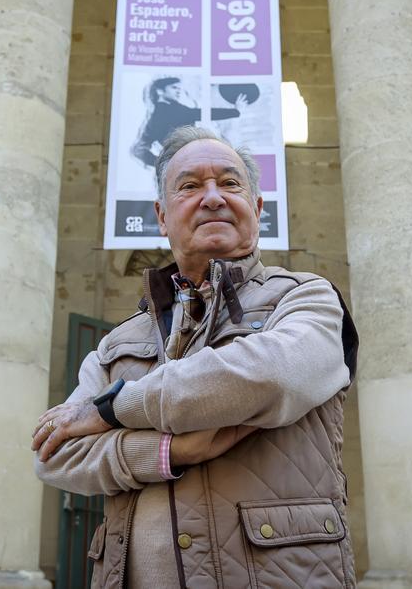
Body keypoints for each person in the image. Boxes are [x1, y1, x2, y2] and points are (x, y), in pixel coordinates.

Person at [34, 126, 358, 588]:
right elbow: (55, 453)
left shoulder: (307, 298)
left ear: (258, 209)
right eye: (189, 186)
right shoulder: (117, 342)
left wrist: (110, 410)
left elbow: (267, 377)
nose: (212, 198)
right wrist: (166, 450)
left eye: (230, 184)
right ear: (162, 217)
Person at [130, 77, 249, 168]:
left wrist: (164, 165)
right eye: (174, 88)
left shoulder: (164, 110)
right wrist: (235, 111)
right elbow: (199, 113)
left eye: (179, 88)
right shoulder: (166, 111)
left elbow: (138, 150)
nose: (178, 91)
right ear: (160, 91)